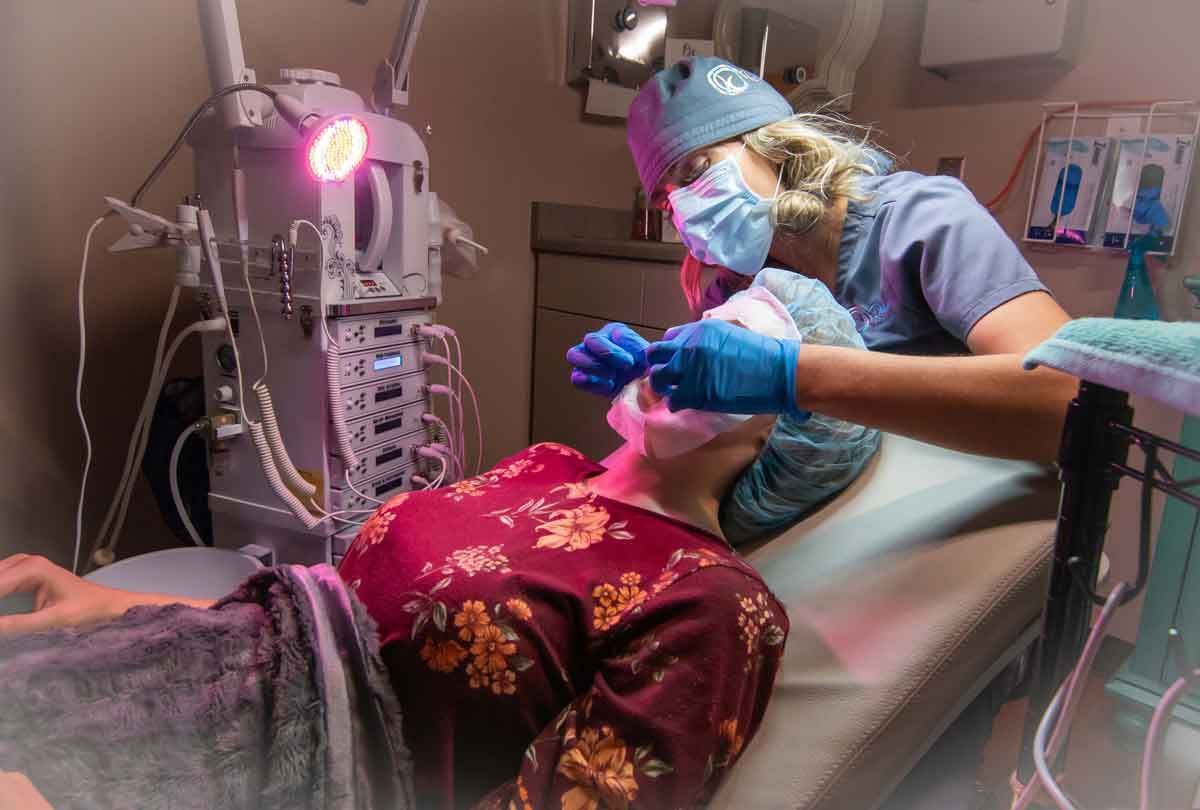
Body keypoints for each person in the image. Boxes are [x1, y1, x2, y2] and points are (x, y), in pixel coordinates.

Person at [0, 284, 882, 810]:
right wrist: (115, 609)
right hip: (197, 667)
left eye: (730, 357)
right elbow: (335, 625)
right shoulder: (549, 467)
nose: (685, 353)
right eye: (697, 329)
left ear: (780, 432)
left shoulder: (715, 604)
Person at [568, 56, 1076, 468]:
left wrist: (794, 376)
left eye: (698, 169)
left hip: (956, 498)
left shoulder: (919, 223)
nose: (684, 207)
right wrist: (652, 391)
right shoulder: (735, 284)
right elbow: (737, 443)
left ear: (775, 145)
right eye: (666, 198)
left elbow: (1067, 402)